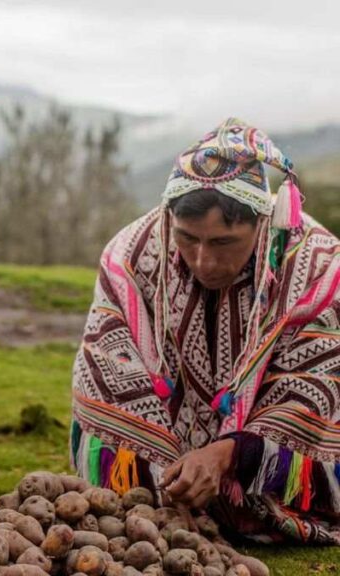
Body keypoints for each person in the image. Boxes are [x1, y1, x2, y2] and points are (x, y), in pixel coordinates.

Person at [71, 118, 340, 544]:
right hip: (164, 460)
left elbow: (316, 385)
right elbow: (109, 365)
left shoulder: (317, 267)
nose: (203, 261)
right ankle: (168, 497)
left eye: (223, 242)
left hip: (258, 474)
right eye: (187, 239)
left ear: (261, 222)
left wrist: (230, 454)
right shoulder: (131, 255)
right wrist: (166, 468)